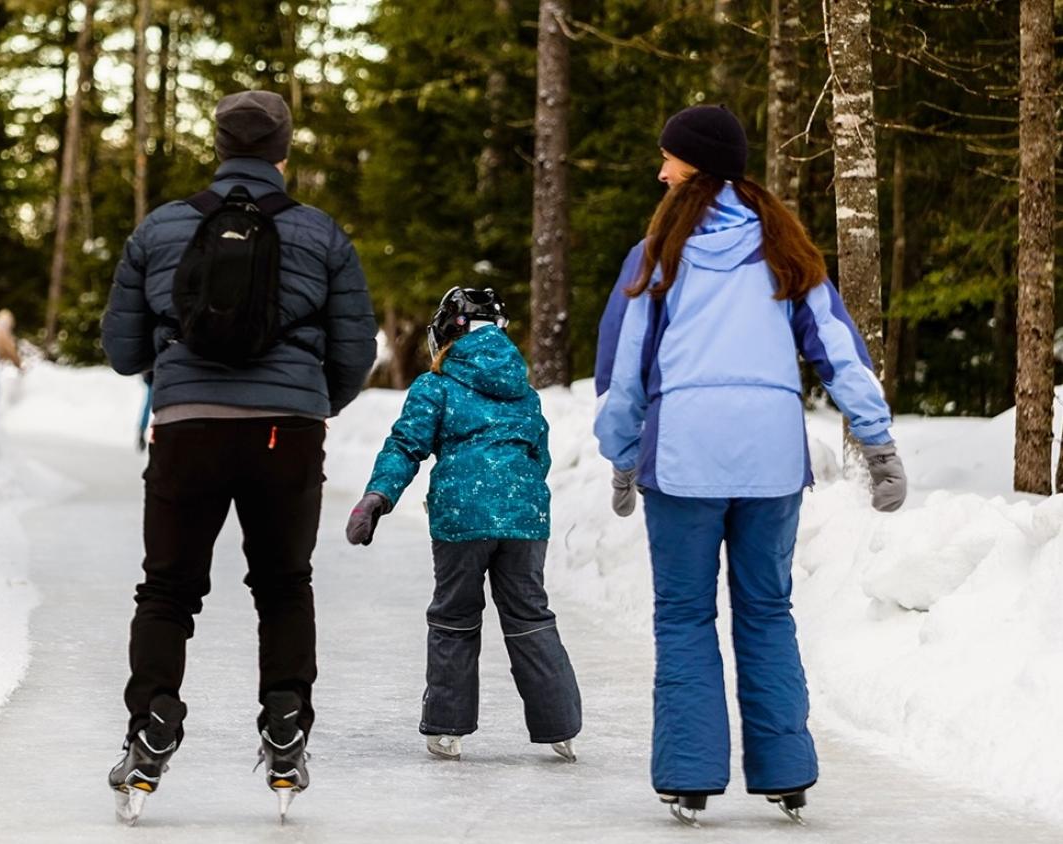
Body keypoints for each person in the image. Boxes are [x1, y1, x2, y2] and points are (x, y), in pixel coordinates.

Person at [594, 105, 906, 826]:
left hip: (681, 460)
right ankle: (787, 773)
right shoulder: (784, 247)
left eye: (669, 157)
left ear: (694, 165)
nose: (660, 169)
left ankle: (690, 776)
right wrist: (877, 441)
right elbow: (839, 349)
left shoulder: (657, 253)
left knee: (684, 615)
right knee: (767, 611)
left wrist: (621, 453)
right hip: (770, 462)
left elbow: (625, 371)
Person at [101, 89, 377, 823]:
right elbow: (356, 351)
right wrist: (312, 404)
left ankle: (153, 717)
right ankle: (285, 721)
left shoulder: (161, 229)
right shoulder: (322, 235)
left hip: (188, 427)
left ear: (218, 147)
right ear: (284, 151)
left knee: (167, 590)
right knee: (284, 585)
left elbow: (124, 350)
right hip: (287, 431)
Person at [346, 287, 582, 763]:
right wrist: (515, 498)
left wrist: (378, 495)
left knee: (454, 617)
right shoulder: (524, 391)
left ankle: (448, 728)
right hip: (524, 519)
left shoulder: (436, 387)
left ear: (447, 332)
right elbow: (539, 452)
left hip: (463, 519)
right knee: (530, 616)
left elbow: (405, 445)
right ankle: (561, 729)